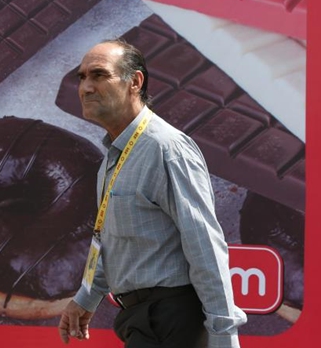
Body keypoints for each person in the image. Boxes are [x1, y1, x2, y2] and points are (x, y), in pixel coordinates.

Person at [58, 39, 246, 347]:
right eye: (82, 77)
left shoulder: (167, 148)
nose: (86, 87)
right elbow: (110, 241)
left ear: (135, 82)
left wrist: (224, 334)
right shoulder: (111, 158)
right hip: (141, 320)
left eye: (99, 75)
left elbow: (205, 245)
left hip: (175, 319)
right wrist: (86, 298)